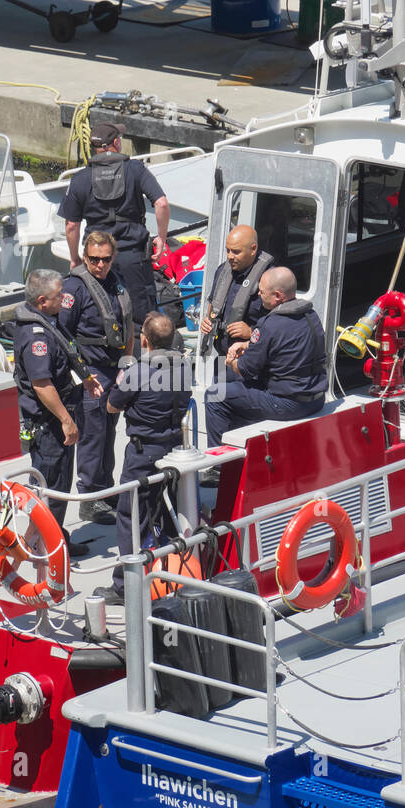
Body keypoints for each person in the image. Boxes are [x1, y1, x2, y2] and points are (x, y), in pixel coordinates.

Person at [92, 312, 193, 604]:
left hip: (142, 452)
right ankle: (176, 573)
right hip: (174, 449)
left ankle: (125, 586)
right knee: (170, 511)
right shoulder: (186, 367)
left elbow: (112, 406)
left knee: (130, 516)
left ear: (145, 341)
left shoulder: (136, 371)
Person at [13, 269, 104, 556]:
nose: (65, 298)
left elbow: (67, 354)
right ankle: (35, 545)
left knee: (60, 485)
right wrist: (67, 421)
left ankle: (55, 538)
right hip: (49, 425)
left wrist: (86, 378)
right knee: (49, 487)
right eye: (58, 295)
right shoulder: (35, 337)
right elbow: (42, 385)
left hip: (60, 417)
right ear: (42, 301)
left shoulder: (50, 320)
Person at [204, 266, 328, 453]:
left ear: (277, 296)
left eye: (262, 292)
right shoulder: (311, 315)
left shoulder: (269, 324)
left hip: (289, 404)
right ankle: (245, 443)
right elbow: (284, 345)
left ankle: (217, 464)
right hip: (316, 398)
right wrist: (247, 345)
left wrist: (230, 361)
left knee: (215, 393)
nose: (259, 295)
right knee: (232, 386)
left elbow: (245, 369)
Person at [59, 122, 170, 324]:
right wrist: (161, 238)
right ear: (117, 143)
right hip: (133, 257)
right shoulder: (136, 170)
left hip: (96, 260)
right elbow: (161, 203)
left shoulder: (80, 179)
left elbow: (71, 225)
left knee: (99, 315)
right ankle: (140, 353)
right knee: (143, 318)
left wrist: (75, 258)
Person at [57, 230, 133, 526]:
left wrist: (127, 364)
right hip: (90, 372)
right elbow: (63, 335)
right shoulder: (74, 288)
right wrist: (81, 374)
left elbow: (127, 326)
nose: (99, 265)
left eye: (104, 259)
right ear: (84, 257)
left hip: (116, 368)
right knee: (92, 435)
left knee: (109, 431)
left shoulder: (116, 283)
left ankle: (104, 489)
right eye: (93, 259)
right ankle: (89, 498)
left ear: (112, 257)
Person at [197, 224, 274, 359]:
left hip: (249, 361)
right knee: (219, 380)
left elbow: (279, 326)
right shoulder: (223, 271)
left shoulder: (269, 279)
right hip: (222, 357)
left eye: (236, 252)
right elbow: (213, 302)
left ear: (253, 249)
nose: (230, 256)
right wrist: (207, 320)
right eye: (228, 250)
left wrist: (251, 332)